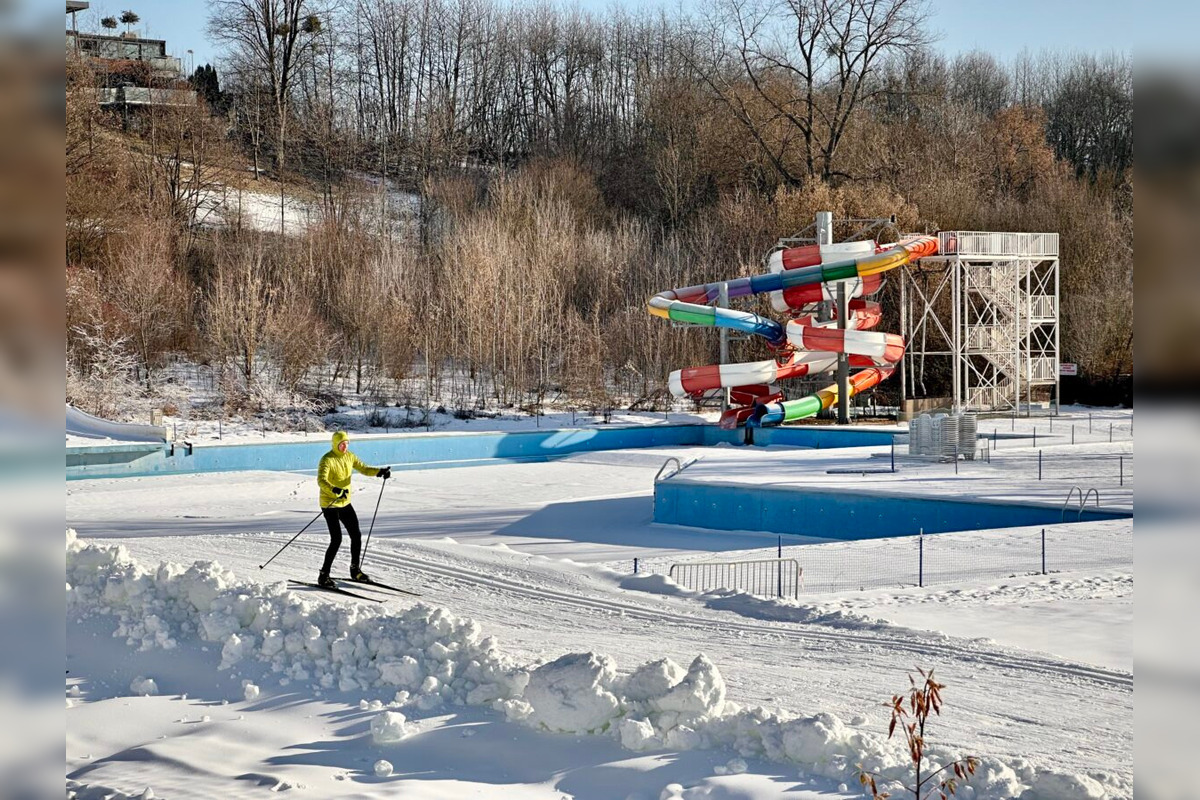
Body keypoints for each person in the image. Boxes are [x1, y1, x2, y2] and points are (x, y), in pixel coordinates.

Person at [316, 430, 391, 588]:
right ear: (335, 444)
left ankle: (355, 570)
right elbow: (321, 480)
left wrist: (379, 472)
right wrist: (334, 489)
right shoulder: (327, 459)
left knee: (356, 535)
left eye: (347, 443)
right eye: (342, 444)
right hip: (330, 504)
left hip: (345, 502)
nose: (345, 446)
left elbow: (363, 468)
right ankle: (323, 575)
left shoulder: (350, 456)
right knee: (336, 539)